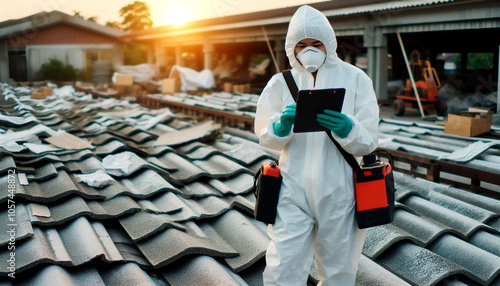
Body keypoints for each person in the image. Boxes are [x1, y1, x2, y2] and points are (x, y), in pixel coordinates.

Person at [254, 5, 379, 286]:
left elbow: (369, 139)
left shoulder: (356, 79)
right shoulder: (280, 83)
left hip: (340, 191)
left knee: (339, 271)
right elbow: (264, 134)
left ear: (329, 43)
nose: (308, 50)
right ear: (291, 47)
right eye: (301, 44)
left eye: (316, 43)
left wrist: (348, 128)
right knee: (282, 267)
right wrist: (280, 126)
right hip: (291, 189)